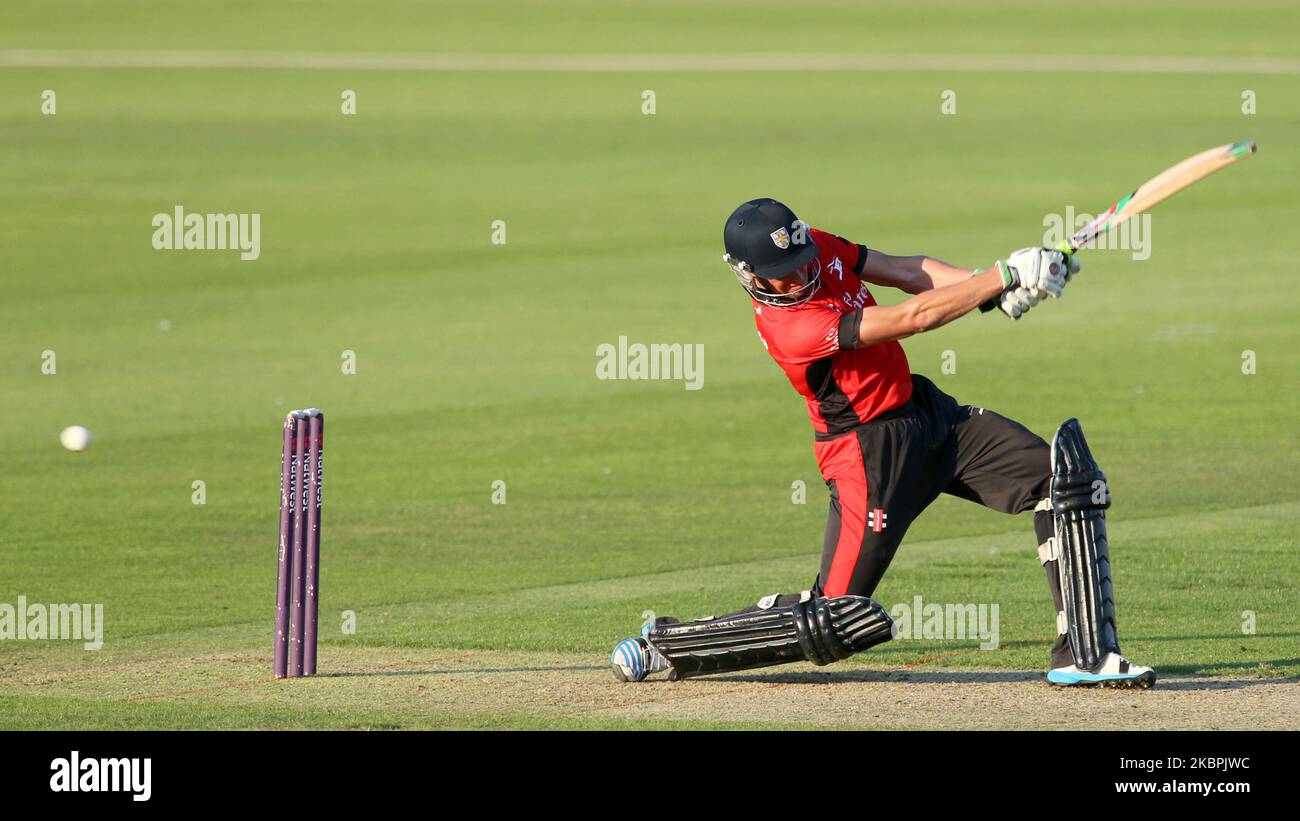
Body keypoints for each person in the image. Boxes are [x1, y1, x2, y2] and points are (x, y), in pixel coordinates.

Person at [610, 198, 1155, 688]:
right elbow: (910, 318)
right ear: (747, 274)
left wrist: (996, 288)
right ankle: (672, 645)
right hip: (867, 458)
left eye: (800, 260)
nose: (799, 273)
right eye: (782, 272)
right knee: (836, 618)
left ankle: (1087, 655)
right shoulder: (790, 327)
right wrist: (1001, 275)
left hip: (928, 417)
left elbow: (906, 271)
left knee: (1063, 481)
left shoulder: (814, 245)